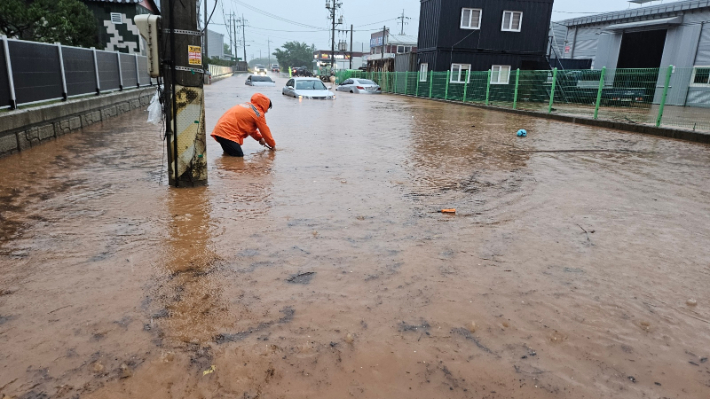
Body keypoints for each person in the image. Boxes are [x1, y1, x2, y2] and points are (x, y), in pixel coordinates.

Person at [211, 93, 275, 157]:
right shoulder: (258, 113)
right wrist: (272, 145)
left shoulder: (247, 105)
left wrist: (260, 138)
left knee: (228, 157)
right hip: (228, 133)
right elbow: (265, 131)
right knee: (238, 157)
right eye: (268, 109)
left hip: (220, 131)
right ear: (265, 106)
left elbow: (250, 129)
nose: (266, 112)